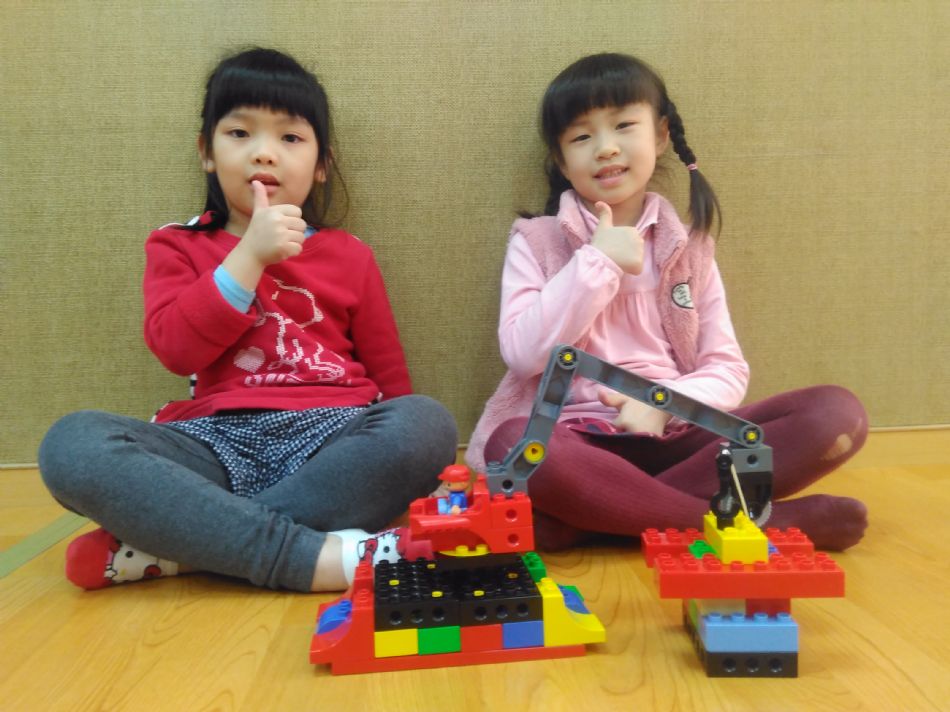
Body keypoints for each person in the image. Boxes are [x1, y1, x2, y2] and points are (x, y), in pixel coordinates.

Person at [38, 48, 457, 592]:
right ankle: (299, 556)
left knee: (426, 422)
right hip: (213, 441)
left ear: (321, 164)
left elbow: (390, 380)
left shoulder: (349, 254)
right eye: (239, 133)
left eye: (290, 137)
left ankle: (186, 550)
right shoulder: (177, 244)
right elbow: (176, 351)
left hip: (333, 440)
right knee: (71, 444)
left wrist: (422, 471)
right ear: (206, 153)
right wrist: (250, 256)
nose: (264, 153)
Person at [467, 53, 867, 552]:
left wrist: (662, 404)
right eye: (582, 136)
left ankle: (598, 518)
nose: (606, 148)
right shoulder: (536, 240)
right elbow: (524, 355)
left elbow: (726, 369)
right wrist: (597, 263)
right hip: (576, 443)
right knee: (513, 445)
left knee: (835, 412)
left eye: (623, 125)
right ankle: (764, 525)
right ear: (561, 161)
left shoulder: (691, 249)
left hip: (680, 438)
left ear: (659, 136)